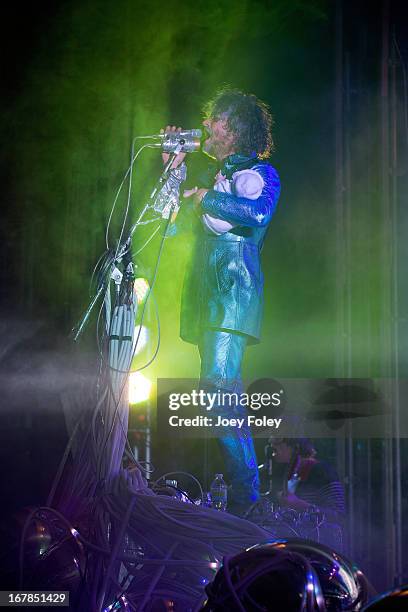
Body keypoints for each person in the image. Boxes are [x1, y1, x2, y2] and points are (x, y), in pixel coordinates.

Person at [162, 88, 281, 511]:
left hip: (232, 294)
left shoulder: (260, 174)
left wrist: (204, 198)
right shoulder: (214, 180)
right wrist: (174, 173)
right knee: (215, 391)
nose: (207, 125)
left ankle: (248, 497)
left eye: (216, 119)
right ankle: (243, 495)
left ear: (235, 128)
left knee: (217, 390)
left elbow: (259, 213)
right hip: (208, 297)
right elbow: (167, 227)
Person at [271, 438, 345, 520]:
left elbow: (338, 515)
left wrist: (300, 505)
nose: (271, 441)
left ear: (295, 446)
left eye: (278, 440)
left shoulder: (322, 471)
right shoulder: (290, 472)